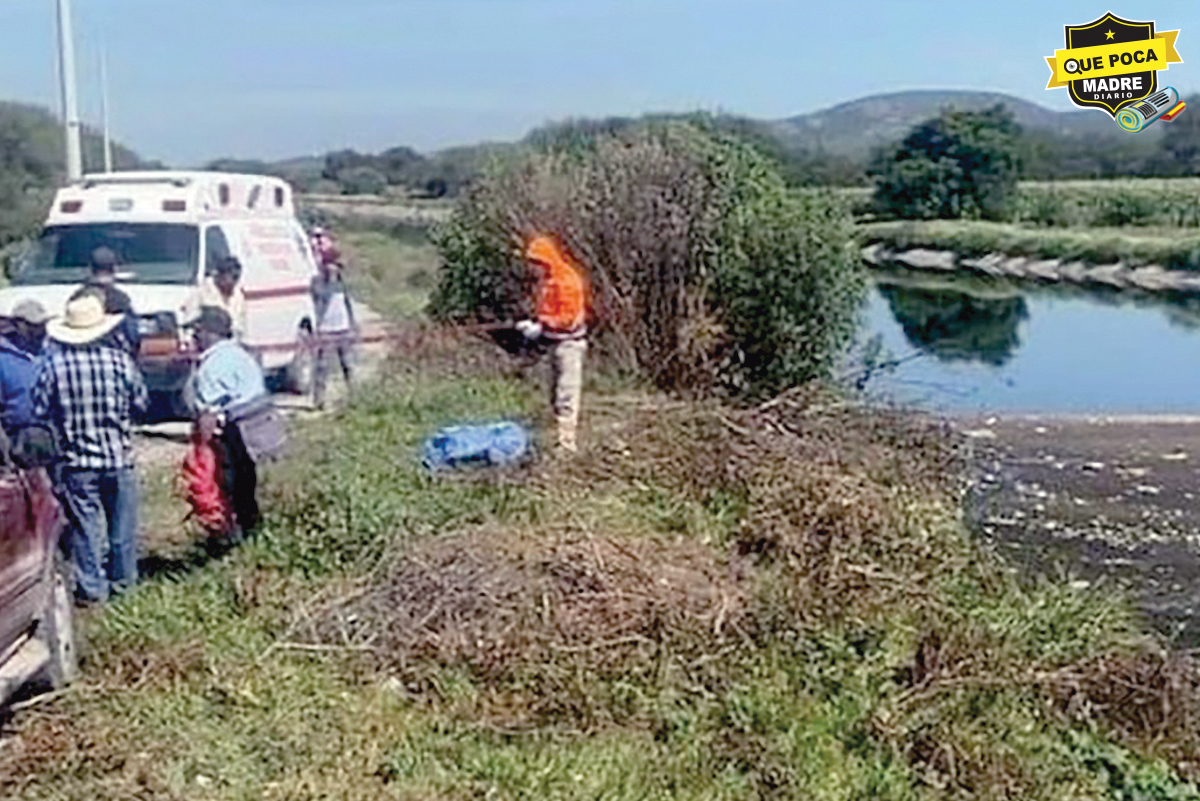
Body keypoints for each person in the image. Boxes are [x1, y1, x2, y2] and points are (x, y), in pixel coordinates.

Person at [32, 294, 148, 605]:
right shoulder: (120, 361)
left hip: (77, 462)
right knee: (122, 530)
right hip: (119, 457)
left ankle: (93, 589)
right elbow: (140, 403)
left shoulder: (54, 366)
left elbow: (41, 410)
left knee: (86, 529)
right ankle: (124, 587)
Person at [183, 306, 268, 541]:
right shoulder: (241, 355)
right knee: (246, 485)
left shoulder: (212, 366)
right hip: (256, 430)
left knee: (227, 487)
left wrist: (201, 449)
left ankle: (231, 537)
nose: (194, 337)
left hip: (233, 435)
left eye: (197, 332)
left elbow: (208, 416)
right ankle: (253, 531)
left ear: (211, 332)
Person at [515, 235, 592, 454]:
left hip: (570, 346)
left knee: (566, 395)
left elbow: (567, 318)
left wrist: (541, 326)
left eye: (534, 264)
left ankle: (567, 447)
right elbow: (549, 312)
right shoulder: (547, 281)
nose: (532, 269)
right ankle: (556, 438)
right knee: (554, 395)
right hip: (553, 344)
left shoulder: (568, 281)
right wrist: (534, 323)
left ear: (545, 261)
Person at [309, 242, 356, 410]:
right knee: (323, 368)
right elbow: (319, 297)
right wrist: (329, 279)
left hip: (343, 329)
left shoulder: (343, 283)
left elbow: (348, 304)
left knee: (348, 366)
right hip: (326, 331)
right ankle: (319, 401)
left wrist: (352, 326)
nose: (335, 269)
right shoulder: (318, 282)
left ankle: (355, 398)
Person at [76, 246, 141, 356]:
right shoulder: (121, 299)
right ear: (114, 269)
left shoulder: (78, 297)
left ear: (90, 268)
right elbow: (133, 336)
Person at [0, 300, 50, 434]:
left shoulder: (51, 352)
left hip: (52, 432)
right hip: (16, 434)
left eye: (42, 325)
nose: (41, 330)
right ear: (18, 325)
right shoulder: (3, 358)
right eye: (34, 326)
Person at [187, 256, 248, 341]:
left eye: (236, 277)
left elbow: (241, 328)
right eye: (231, 277)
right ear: (220, 275)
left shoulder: (238, 297)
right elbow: (190, 319)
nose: (233, 281)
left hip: (229, 344)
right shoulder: (203, 291)